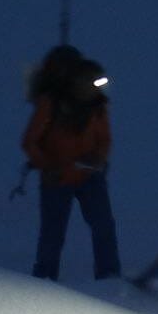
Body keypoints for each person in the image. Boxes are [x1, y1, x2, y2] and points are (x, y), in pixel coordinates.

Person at [21, 46, 121, 281]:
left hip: (89, 177)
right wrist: (48, 165)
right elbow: (29, 142)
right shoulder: (50, 103)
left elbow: (105, 138)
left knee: (103, 226)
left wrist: (98, 159)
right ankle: (44, 280)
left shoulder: (98, 106)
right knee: (52, 234)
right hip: (56, 179)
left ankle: (109, 277)